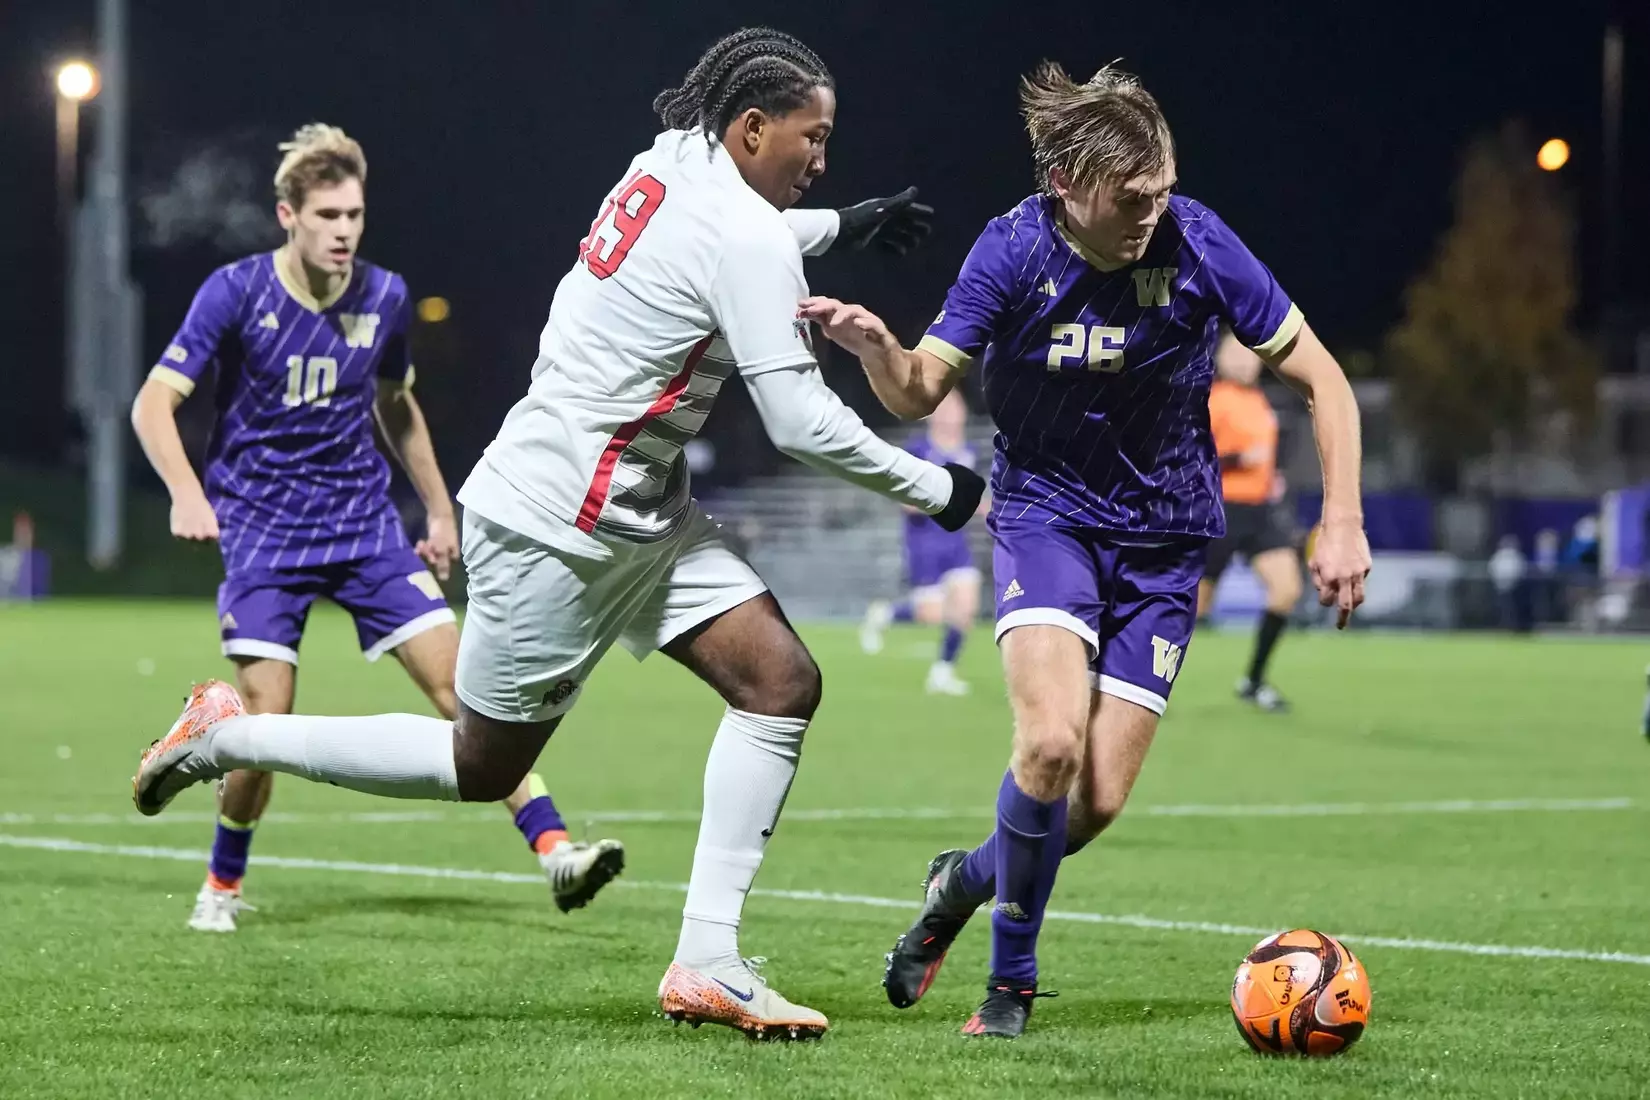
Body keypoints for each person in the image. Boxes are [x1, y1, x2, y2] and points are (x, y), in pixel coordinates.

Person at [132, 28, 982, 1041]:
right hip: (559, 525)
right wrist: (944, 490)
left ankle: (708, 959)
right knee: (481, 763)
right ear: (753, 128)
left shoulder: (666, 160)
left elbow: (734, 235)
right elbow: (799, 421)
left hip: (630, 507)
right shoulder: (746, 234)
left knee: (781, 681)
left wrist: (843, 224)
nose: (822, 159)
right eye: (814, 137)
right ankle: (222, 735)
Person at [800, 59, 1369, 1037]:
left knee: (1092, 803)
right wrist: (876, 353)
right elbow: (917, 393)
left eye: (1162, 187)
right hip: (1047, 519)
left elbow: (1326, 379)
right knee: (1051, 742)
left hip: (1164, 547)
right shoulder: (1011, 251)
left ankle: (961, 881)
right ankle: (1009, 984)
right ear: (1064, 186)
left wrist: (1345, 519)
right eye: (1131, 195)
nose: (1154, 208)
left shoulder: (1199, 240)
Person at [129, 124, 624, 932]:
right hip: (262, 532)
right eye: (327, 215)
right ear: (287, 214)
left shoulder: (385, 296)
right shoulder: (235, 291)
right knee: (266, 717)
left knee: (468, 692)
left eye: (354, 214)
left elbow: (397, 405)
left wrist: (436, 506)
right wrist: (186, 492)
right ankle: (220, 886)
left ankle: (555, 852)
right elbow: (154, 402)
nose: (344, 231)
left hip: (363, 526)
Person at [1196, 330, 1304, 711]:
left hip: (1259, 512)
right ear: (1220, 358)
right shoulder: (1211, 399)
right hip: (1219, 510)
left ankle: (1254, 681)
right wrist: (1239, 461)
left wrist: (1272, 475)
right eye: (1234, 353)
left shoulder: (1260, 401)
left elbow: (1266, 453)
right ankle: (1128, 680)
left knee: (1287, 589)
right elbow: (1190, 456)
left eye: (1249, 354)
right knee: (1192, 608)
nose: (1243, 361)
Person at [860, 388, 985, 695]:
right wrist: (942, 498)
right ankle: (885, 615)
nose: (953, 414)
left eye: (957, 407)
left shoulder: (969, 453)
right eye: (946, 408)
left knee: (966, 608)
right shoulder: (919, 449)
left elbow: (975, 499)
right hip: (924, 544)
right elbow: (904, 499)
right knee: (931, 614)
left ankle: (942, 673)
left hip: (956, 544)